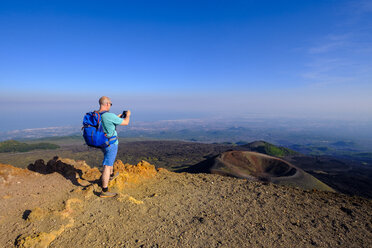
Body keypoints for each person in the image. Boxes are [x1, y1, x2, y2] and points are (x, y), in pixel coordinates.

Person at [98, 96, 131, 198]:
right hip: (111, 143)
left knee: (109, 159)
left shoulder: (96, 114)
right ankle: (104, 190)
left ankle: (111, 176)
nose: (110, 105)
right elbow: (126, 122)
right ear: (107, 104)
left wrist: (116, 117)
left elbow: (106, 124)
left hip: (102, 142)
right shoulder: (108, 115)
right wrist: (128, 115)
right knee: (107, 165)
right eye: (110, 104)